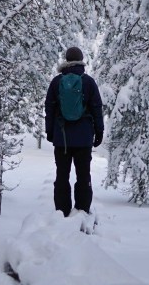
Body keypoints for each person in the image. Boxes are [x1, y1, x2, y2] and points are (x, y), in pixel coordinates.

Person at [44, 46, 104, 217]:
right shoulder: (88, 81)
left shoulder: (56, 82)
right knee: (83, 175)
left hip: (61, 138)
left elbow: (49, 107)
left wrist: (50, 131)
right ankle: (82, 211)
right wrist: (99, 132)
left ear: (66, 60)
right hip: (84, 138)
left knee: (62, 175)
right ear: (81, 60)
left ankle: (61, 213)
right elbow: (96, 108)